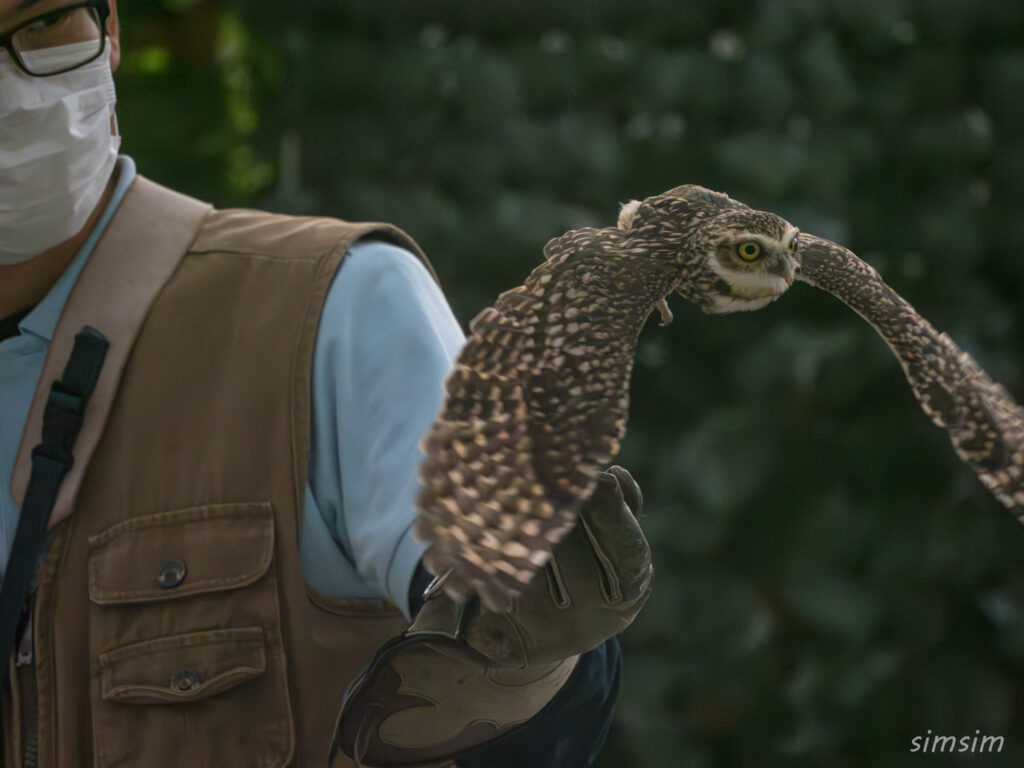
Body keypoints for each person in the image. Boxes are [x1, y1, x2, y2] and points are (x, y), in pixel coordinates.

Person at [0, 1, 653, 766]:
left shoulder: (333, 309)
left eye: (41, 23)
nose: (12, 87)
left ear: (109, 29)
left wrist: (529, 660)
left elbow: (507, 651)